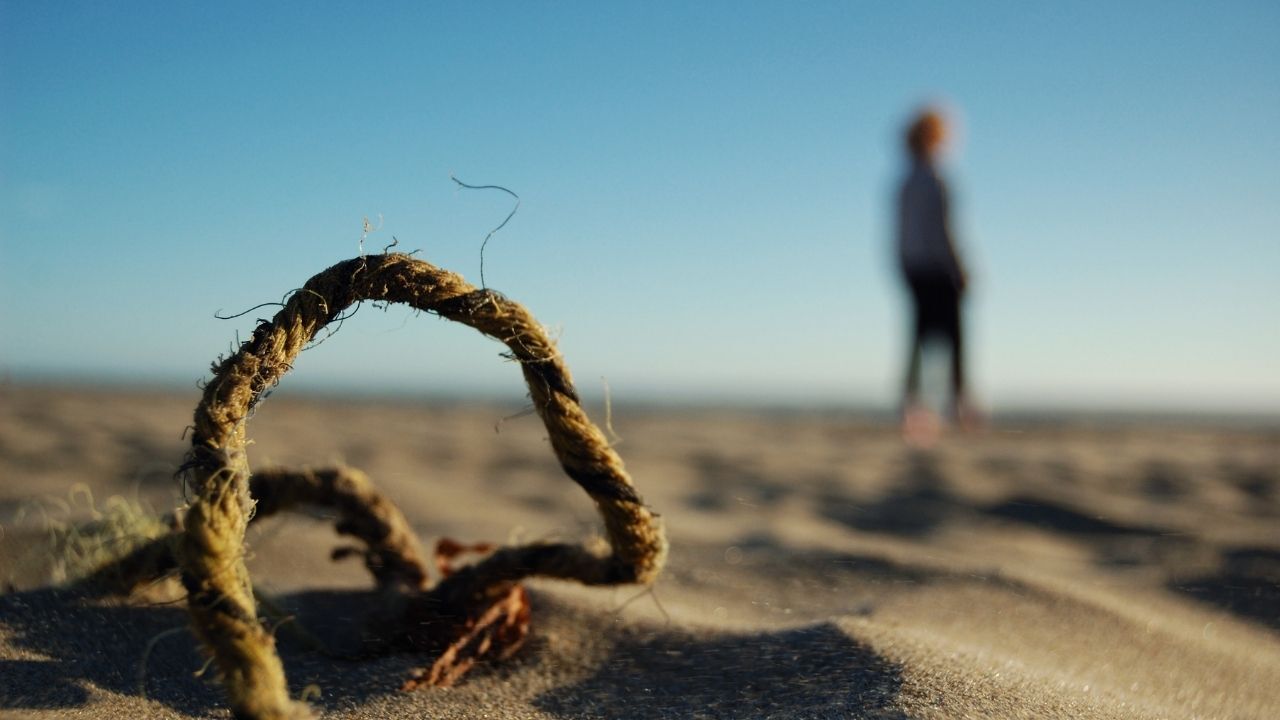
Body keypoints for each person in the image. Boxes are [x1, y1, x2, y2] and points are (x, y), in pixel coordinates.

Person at [895, 107, 978, 438]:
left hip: (914, 270)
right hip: (938, 270)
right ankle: (955, 407)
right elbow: (945, 231)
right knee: (954, 339)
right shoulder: (933, 180)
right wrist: (959, 267)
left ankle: (913, 408)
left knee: (918, 339)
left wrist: (903, 267)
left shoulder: (904, 183)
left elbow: (899, 234)